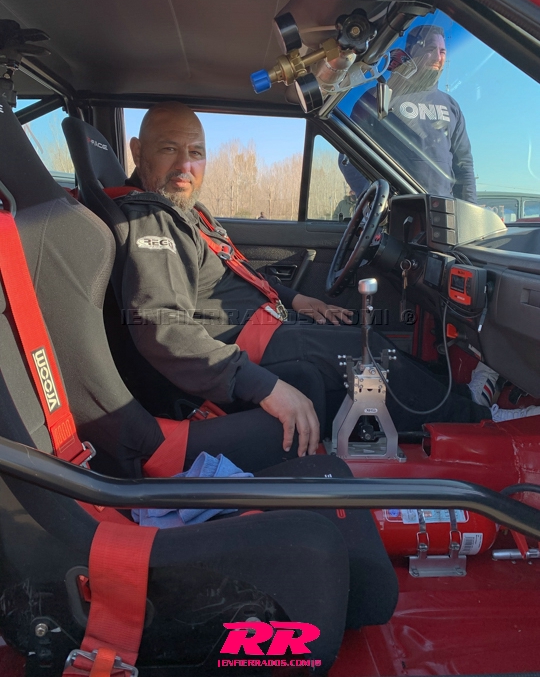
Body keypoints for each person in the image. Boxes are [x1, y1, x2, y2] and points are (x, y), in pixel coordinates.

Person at [115, 102, 538, 471]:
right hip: (239, 343)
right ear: (137, 151)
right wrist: (263, 386)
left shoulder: (188, 212)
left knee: (364, 336)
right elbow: (163, 328)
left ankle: (461, 395)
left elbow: (238, 272)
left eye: (196, 153)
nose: (185, 166)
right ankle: (477, 418)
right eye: (169, 149)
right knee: (368, 355)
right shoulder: (151, 221)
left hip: (262, 324)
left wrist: (297, 298)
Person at [350, 24, 477, 203]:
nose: (438, 57)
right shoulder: (378, 97)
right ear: (411, 51)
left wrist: (468, 210)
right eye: (430, 49)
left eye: (442, 51)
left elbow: (464, 165)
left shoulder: (451, 106)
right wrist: (374, 199)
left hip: (441, 211)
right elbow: (348, 156)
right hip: (394, 209)